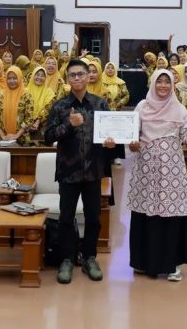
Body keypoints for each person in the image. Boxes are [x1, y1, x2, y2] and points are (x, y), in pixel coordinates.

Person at [43, 59, 115, 284]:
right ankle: (66, 259)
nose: (77, 78)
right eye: (72, 75)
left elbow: (112, 134)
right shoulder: (60, 106)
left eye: (80, 74)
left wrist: (112, 143)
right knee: (66, 217)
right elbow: (47, 137)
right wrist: (69, 126)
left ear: (88, 76)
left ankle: (90, 257)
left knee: (94, 218)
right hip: (69, 172)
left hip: (93, 170)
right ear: (67, 80)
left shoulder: (100, 104)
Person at [127, 69, 187, 281]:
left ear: (172, 85)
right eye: (159, 82)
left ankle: (172, 264)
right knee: (145, 213)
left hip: (172, 173)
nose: (163, 86)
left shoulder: (179, 108)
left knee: (171, 214)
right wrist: (132, 145)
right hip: (146, 170)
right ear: (152, 83)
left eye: (167, 82)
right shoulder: (141, 107)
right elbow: (133, 139)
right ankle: (142, 261)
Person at [0, 65, 33, 144]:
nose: (12, 81)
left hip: (21, 140)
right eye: (9, 78)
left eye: (14, 78)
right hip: (1, 139)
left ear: (20, 78)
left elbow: (29, 119)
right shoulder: (0, 95)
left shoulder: (26, 95)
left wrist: (16, 136)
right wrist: (3, 136)